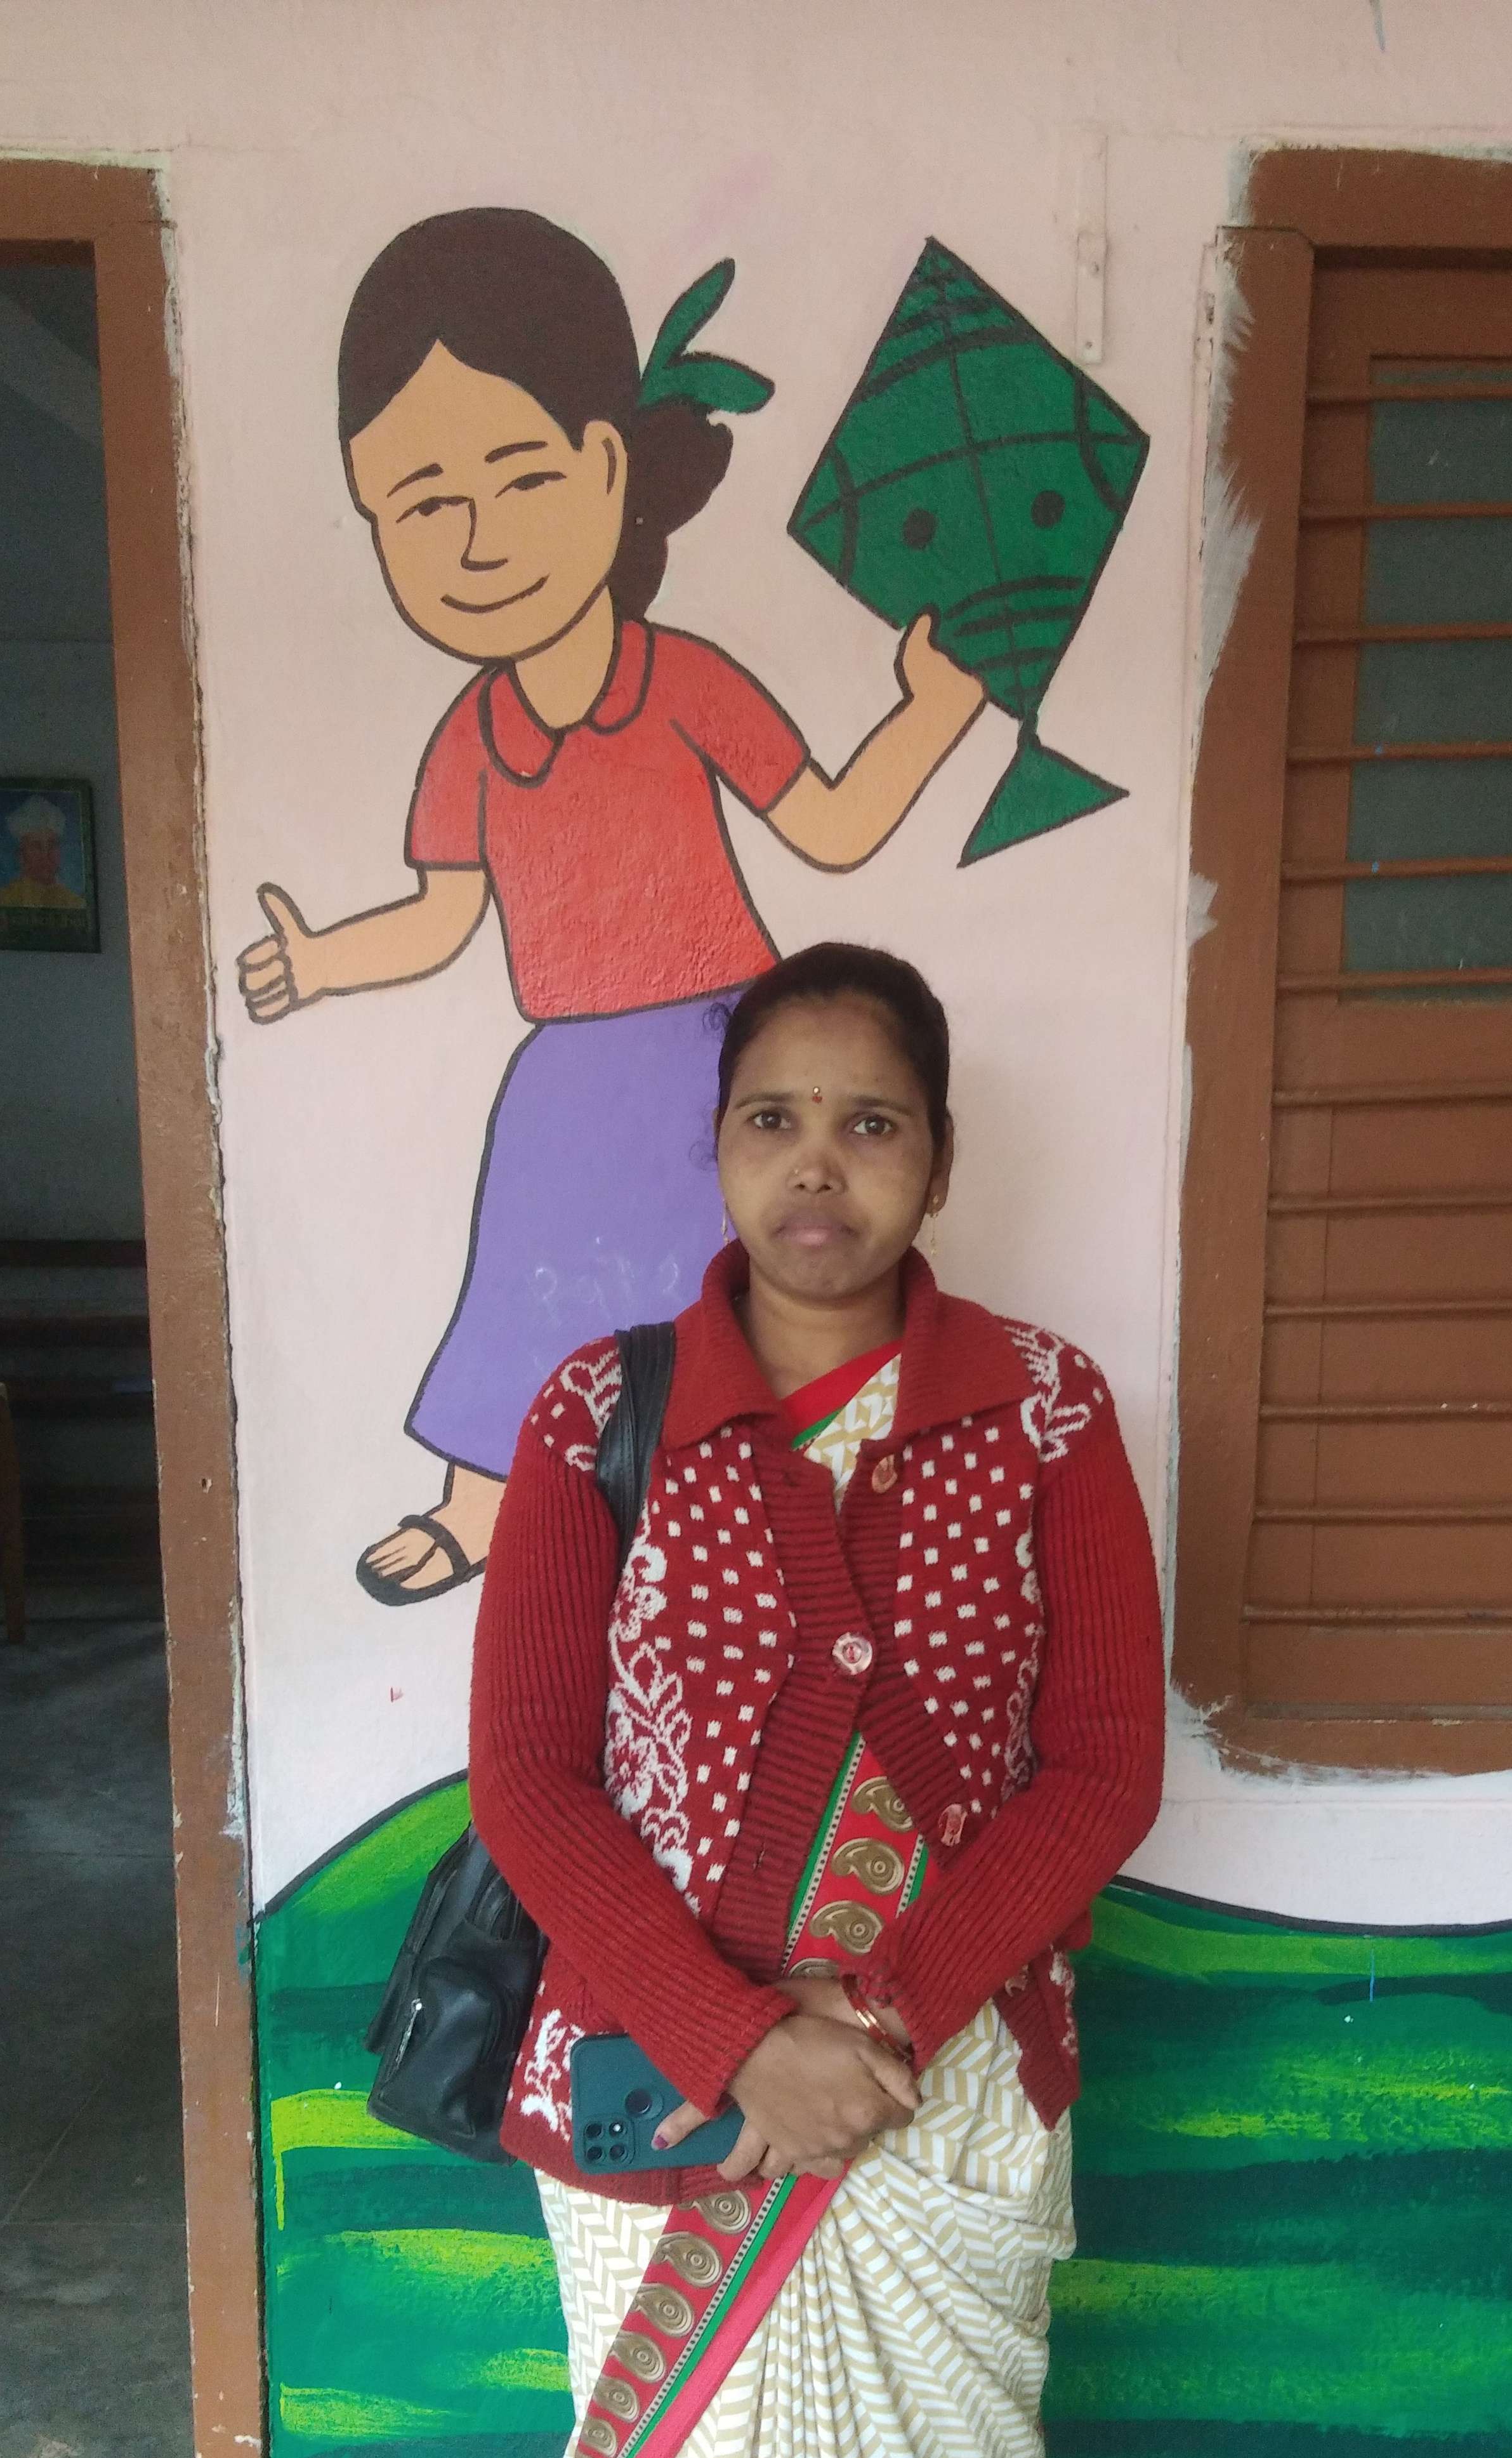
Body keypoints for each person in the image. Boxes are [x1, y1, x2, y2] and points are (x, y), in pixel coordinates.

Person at [468, 942, 1166, 2458]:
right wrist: (736, 2043)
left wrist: (893, 2024)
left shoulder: (1043, 1412)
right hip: (662, 2108)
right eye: (774, 1119)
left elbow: (1101, 1771)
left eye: (872, 1124)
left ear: (940, 1160)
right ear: (717, 1148)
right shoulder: (595, 1414)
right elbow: (529, 1779)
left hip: (949, 2110)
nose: (818, 1165)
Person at [236, 210, 985, 1608]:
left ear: (606, 466)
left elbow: (829, 823)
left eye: (520, 478)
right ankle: (481, 1498)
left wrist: (932, 714)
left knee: (738, 1280)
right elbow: (440, 920)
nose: (476, 540)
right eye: (420, 505)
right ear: (369, 515)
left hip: (724, 1057)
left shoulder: (683, 679)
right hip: (568, 1070)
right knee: (521, 1280)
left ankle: (755, 1492)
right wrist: (321, 961)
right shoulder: (471, 737)